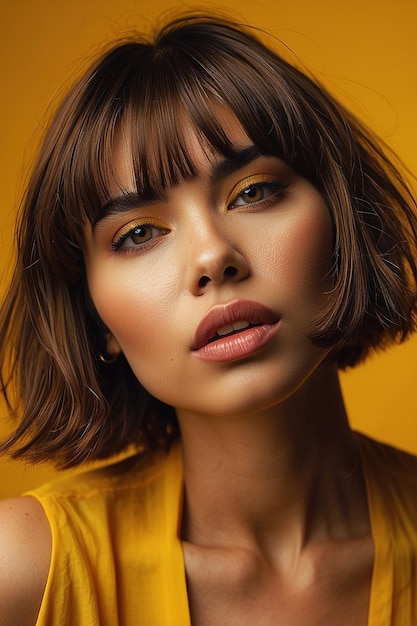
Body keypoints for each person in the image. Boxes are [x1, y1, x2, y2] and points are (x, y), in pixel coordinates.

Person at [1, 13, 417, 626]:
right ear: (95, 318)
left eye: (253, 192)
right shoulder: (26, 573)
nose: (213, 255)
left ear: (343, 222)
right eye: (139, 233)